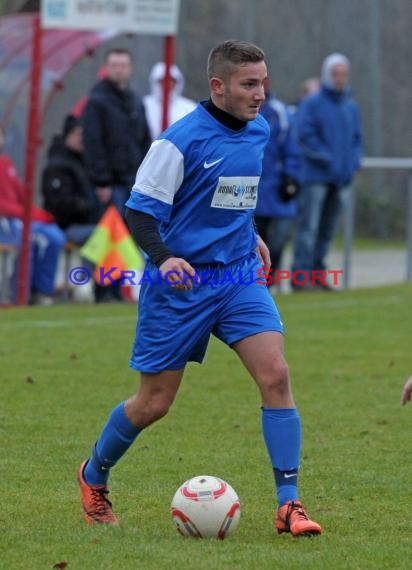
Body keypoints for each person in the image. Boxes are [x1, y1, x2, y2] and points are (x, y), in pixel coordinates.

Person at [77, 40, 322, 537]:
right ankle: (94, 473)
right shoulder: (178, 141)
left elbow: (235, 194)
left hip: (236, 278)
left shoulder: (259, 129)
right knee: (154, 404)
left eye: (263, 82)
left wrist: (249, 234)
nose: (260, 94)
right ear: (219, 86)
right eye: (249, 84)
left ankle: (288, 504)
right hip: (181, 286)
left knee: (275, 374)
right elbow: (140, 211)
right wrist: (165, 259)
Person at [292, 54, 363, 291]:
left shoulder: (350, 107)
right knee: (309, 228)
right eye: (336, 74)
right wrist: (327, 159)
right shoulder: (312, 104)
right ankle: (301, 278)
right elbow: (305, 135)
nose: (340, 79)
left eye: (344, 74)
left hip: (341, 179)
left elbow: (356, 140)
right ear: (326, 75)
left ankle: (318, 274)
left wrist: (353, 162)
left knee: (328, 231)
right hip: (316, 177)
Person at [82, 48, 152, 216]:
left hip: (135, 182)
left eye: (123, 65)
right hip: (110, 185)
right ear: (106, 67)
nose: (119, 69)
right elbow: (93, 142)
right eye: (114, 65)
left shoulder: (135, 100)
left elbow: (144, 139)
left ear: (131, 67)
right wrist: (101, 181)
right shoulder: (97, 101)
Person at [0, 125, 66, 304]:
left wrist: (38, 214)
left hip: (19, 218)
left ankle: (42, 291)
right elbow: (4, 206)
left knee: (55, 236)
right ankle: (19, 293)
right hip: (6, 221)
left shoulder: (6, 163)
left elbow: (22, 196)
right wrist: (28, 215)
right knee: (29, 238)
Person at [254, 89, 300, 285]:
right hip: (253, 191)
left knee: (279, 240)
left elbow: (292, 148)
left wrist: (290, 177)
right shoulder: (240, 113)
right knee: (255, 241)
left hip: (277, 189)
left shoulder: (279, 113)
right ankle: (257, 284)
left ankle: (271, 280)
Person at [143, 61, 197, 140]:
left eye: (172, 81)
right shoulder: (144, 105)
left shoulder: (189, 108)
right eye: (162, 81)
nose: (168, 85)